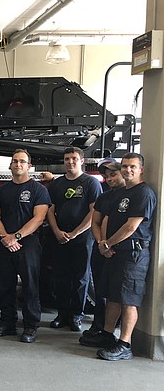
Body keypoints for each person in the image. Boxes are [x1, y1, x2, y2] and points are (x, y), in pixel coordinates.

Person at [91, 153, 155, 361]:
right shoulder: (121, 193)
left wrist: (108, 243)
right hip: (115, 252)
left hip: (133, 255)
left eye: (132, 167)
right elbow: (107, 219)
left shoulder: (144, 193)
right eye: (125, 166)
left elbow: (131, 226)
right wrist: (103, 243)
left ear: (141, 169)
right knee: (113, 296)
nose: (128, 170)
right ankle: (108, 335)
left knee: (129, 300)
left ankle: (125, 344)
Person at [0, 149, 50, 343]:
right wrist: (5, 237)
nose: (17, 165)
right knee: (4, 285)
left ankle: (31, 326)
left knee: (30, 286)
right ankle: (7, 323)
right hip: (3, 243)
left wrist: (15, 236)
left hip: (28, 244)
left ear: (28, 166)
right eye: (15, 161)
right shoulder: (1, 190)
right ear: (10, 165)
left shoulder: (39, 190)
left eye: (22, 162)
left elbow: (39, 218)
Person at [47, 147, 102, 332]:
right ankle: (62, 314)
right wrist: (56, 231)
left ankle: (76, 316)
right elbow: (50, 210)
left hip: (83, 238)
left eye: (74, 158)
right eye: (67, 159)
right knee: (60, 276)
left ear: (81, 160)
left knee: (81, 278)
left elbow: (94, 211)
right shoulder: (57, 184)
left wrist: (76, 233)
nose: (70, 162)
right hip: (60, 236)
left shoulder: (91, 183)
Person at [79, 158, 124, 343]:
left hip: (119, 252)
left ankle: (111, 330)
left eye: (113, 173)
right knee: (99, 289)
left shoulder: (130, 194)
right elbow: (96, 221)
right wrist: (101, 243)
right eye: (106, 175)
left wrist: (109, 244)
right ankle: (98, 325)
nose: (109, 178)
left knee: (116, 292)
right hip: (101, 249)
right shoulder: (104, 196)